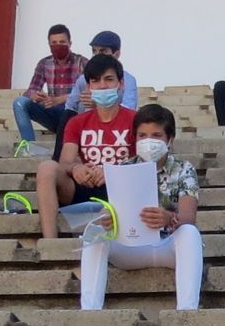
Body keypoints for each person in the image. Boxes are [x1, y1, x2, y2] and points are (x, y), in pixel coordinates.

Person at [81, 103, 204, 313]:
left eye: (156, 135)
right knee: (95, 232)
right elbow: (109, 209)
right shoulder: (123, 168)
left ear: (170, 139)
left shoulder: (184, 169)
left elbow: (188, 216)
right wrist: (107, 219)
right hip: (131, 246)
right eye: (142, 135)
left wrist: (168, 218)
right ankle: (90, 311)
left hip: (168, 245)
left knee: (190, 233)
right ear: (135, 139)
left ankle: (186, 311)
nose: (149, 142)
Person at [36, 53, 137, 239]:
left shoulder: (135, 120)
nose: (103, 85)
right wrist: (76, 168)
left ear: (120, 83)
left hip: (121, 188)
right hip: (84, 185)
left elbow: (146, 164)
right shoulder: (76, 122)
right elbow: (65, 161)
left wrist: (112, 171)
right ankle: (49, 244)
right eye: (96, 81)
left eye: (109, 79)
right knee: (46, 168)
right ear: (89, 86)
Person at [12, 24, 83, 155]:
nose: (58, 45)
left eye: (62, 42)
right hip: (51, 111)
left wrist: (60, 99)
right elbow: (31, 89)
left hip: (73, 113)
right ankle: (28, 146)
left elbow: (87, 93)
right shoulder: (44, 63)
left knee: (73, 107)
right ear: (49, 45)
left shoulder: (82, 63)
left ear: (70, 43)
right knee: (19, 102)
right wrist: (36, 96)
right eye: (54, 43)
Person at [87, 30, 141, 111]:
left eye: (103, 51)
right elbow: (71, 106)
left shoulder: (128, 80)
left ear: (117, 54)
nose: (97, 55)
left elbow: (129, 107)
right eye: (94, 51)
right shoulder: (83, 78)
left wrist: (99, 105)